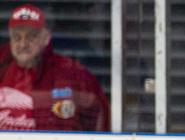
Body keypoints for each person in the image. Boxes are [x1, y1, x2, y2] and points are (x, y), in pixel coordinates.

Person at [0, 4, 109, 132]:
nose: (23, 44)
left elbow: (98, 118)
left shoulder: (72, 75)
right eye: (17, 37)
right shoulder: (3, 70)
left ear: (45, 38)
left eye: (31, 36)